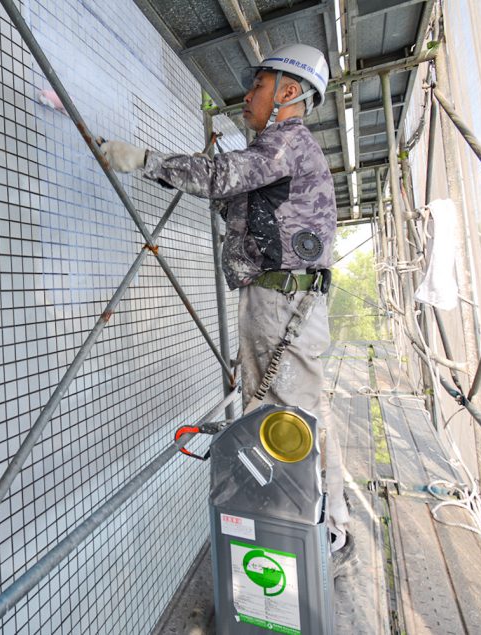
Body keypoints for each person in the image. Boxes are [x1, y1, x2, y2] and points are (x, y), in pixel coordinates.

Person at [100, 44, 354, 572]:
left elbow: (221, 176)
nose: (248, 96)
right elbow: (230, 197)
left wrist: (146, 161)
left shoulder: (287, 142)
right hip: (277, 298)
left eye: (259, 85)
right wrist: (182, 175)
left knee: (291, 417)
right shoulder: (277, 156)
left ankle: (317, 532)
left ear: (289, 93)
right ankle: (303, 523)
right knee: (282, 412)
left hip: (283, 299)